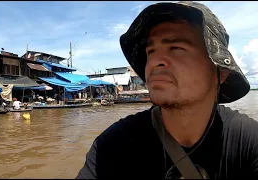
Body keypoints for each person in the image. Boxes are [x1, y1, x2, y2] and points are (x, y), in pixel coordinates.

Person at [76, 1, 258, 179]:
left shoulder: (249, 142)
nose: (154, 62)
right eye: (151, 51)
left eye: (176, 48)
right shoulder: (114, 145)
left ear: (221, 72)